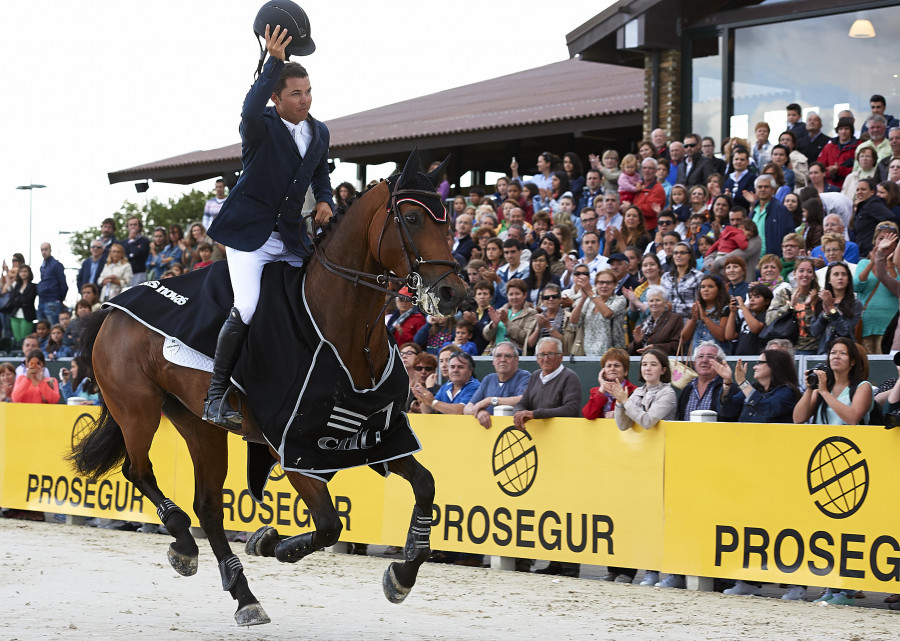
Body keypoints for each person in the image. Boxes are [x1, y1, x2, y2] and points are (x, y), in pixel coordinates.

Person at [202, 26, 335, 428]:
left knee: (313, 299)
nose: (305, 99)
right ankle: (214, 396)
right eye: (296, 93)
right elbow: (248, 107)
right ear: (276, 98)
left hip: (291, 235)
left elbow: (320, 176)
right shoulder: (259, 126)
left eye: (308, 91)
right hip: (250, 236)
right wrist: (272, 62)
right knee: (247, 305)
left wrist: (326, 199)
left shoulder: (319, 130)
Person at [794, 337, 873, 608]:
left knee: (849, 527)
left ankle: (847, 588)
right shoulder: (822, 386)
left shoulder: (862, 387)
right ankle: (832, 584)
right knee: (827, 527)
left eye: (842, 353)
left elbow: (852, 417)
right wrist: (810, 390)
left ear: (853, 361)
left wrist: (826, 392)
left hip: (853, 461)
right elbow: (798, 418)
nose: (835, 357)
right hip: (824, 460)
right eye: (832, 353)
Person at [606, 347, 676, 588]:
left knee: (663, 519)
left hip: (665, 460)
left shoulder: (668, 394)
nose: (647, 368)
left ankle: (660, 570)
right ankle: (649, 569)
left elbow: (647, 421)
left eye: (653, 364)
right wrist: (619, 402)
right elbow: (622, 425)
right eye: (645, 364)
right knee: (644, 518)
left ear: (663, 369)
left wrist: (625, 401)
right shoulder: (636, 393)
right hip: (641, 462)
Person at [514, 337, 581, 578]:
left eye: (550, 354)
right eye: (541, 355)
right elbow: (522, 402)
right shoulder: (534, 377)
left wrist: (535, 414)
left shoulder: (569, 377)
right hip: (538, 452)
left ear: (560, 356)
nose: (544, 359)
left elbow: (571, 409)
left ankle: (569, 565)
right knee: (544, 506)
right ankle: (553, 561)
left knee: (565, 506)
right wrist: (520, 412)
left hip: (564, 450)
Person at [854, 222, 900, 355]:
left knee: (885, 368)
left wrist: (889, 264)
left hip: (889, 324)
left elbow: (896, 287)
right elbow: (857, 285)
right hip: (867, 324)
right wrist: (873, 262)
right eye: (881, 238)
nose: (885, 242)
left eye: (889, 239)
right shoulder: (863, 263)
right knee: (868, 367)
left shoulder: (897, 266)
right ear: (875, 241)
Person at [464, 342, 531, 429]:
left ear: (516, 360)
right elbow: (467, 408)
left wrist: (490, 400)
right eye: (498, 356)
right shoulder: (488, 379)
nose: (503, 359)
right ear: (493, 361)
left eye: (508, 356)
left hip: (513, 432)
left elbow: (523, 399)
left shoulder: (524, 376)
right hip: (488, 433)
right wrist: (479, 412)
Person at [676, 340, 739, 422]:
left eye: (710, 356)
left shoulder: (731, 388)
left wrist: (727, 383)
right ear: (695, 363)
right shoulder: (687, 389)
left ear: (720, 363)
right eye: (700, 356)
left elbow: (729, 416)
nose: (704, 360)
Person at [569, 269, 627, 356]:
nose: (604, 285)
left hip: (613, 355)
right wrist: (583, 298)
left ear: (615, 285)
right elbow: (574, 321)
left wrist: (590, 292)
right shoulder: (589, 301)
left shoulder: (620, 300)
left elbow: (607, 314)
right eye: (601, 282)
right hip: (588, 354)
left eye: (608, 283)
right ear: (596, 285)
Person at [810, 262, 860, 353]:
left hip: (846, 352)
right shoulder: (821, 302)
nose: (840, 277)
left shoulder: (855, 304)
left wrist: (832, 309)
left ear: (848, 279)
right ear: (829, 279)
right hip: (824, 352)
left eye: (844, 274)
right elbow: (814, 331)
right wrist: (825, 315)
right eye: (836, 274)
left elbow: (845, 331)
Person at [412, 351, 480, 415]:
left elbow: (461, 410)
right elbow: (429, 412)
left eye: (460, 367)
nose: (455, 370)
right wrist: (425, 401)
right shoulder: (446, 387)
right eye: (452, 367)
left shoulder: (476, 387)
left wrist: (432, 402)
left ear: (470, 370)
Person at [744, 174, 794, 258]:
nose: (762, 189)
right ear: (755, 190)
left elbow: (790, 235)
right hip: (752, 259)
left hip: (772, 260)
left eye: (766, 187)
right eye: (759, 187)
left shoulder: (781, 209)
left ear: (773, 190)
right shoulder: (754, 211)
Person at [483, 278, 536, 355]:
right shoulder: (502, 310)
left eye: (517, 294)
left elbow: (525, 338)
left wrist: (506, 322)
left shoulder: (531, 313)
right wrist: (494, 324)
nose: (514, 297)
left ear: (525, 295)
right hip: (496, 352)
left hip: (516, 354)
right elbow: (487, 336)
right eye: (511, 294)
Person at [582, 347, 637, 420]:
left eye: (617, 365)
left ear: (625, 371)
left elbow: (636, 416)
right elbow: (588, 414)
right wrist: (602, 388)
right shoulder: (595, 391)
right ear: (603, 372)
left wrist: (618, 414)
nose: (612, 368)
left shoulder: (634, 391)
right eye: (608, 366)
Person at [627, 285, 683, 355]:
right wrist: (637, 342)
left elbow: (678, 346)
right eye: (651, 301)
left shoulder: (675, 319)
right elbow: (631, 351)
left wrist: (655, 347)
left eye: (658, 300)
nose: (654, 303)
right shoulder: (644, 323)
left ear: (665, 302)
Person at [682, 275, 730, 352]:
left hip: (718, 358)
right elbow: (684, 337)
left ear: (719, 290)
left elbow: (722, 336)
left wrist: (704, 317)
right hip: (697, 358)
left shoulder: (725, 309)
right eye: (703, 287)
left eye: (710, 287)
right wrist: (694, 319)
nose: (705, 290)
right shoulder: (696, 308)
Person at [724, 283, 773, 356]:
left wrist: (743, 307)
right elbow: (729, 336)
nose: (752, 300)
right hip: (740, 358)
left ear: (767, 301)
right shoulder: (747, 317)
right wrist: (733, 312)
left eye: (757, 297)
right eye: (750, 297)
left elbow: (756, 328)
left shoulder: (766, 315)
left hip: (756, 359)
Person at [662, 242, 704, 320]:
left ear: (690, 256)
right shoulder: (665, 277)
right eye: (676, 253)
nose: (678, 255)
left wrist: (673, 307)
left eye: (682, 253)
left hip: (688, 322)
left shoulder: (698, 276)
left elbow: (698, 306)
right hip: (668, 322)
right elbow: (662, 303)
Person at [817, 117, 859, 190]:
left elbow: (858, 169)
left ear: (851, 130)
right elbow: (819, 167)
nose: (843, 131)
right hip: (829, 186)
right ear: (837, 130)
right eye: (841, 129)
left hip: (850, 186)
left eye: (846, 129)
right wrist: (828, 171)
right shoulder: (828, 147)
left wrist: (839, 170)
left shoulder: (857, 147)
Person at [2, 264, 37, 344]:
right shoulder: (17, 286)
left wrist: (17, 300)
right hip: (15, 315)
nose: (23, 273)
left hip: (27, 316)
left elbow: (28, 300)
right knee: (17, 339)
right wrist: (21, 302)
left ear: (29, 273)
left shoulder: (33, 286)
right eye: (21, 271)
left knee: (25, 339)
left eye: (25, 271)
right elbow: (11, 298)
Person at [36, 243, 67, 325]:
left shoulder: (56, 265)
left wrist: (59, 300)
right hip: (41, 301)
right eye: (42, 249)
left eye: (46, 249)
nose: (43, 252)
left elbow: (63, 284)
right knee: (42, 330)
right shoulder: (42, 266)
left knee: (54, 330)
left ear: (50, 250)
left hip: (53, 302)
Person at [123, 216, 151, 285]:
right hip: (125, 274)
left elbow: (141, 252)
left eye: (135, 224)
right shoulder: (123, 242)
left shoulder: (144, 241)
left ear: (139, 227)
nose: (133, 226)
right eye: (130, 224)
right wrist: (133, 253)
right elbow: (123, 257)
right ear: (128, 227)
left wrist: (132, 241)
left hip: (139, 273)